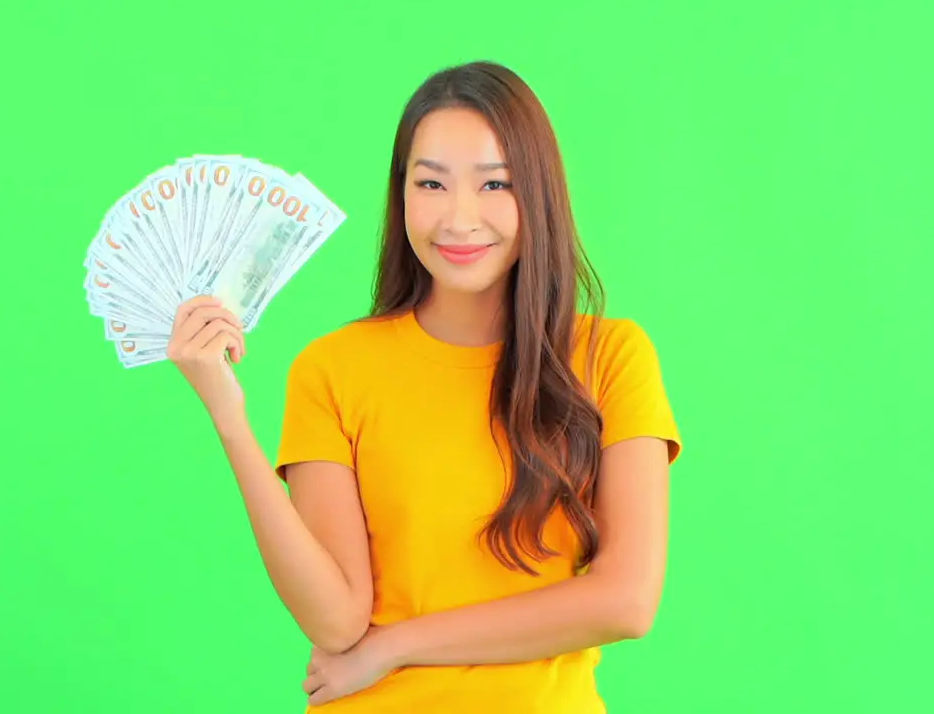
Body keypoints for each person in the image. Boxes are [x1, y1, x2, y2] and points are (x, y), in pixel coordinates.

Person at [166, 60, 682, 713]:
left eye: (495, 183)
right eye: (431, 183)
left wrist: (396, 646)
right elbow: (336, 623)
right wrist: (228, 414)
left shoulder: (611, 357)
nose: (459, 218)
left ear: (540, 194)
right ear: (401, 194)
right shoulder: (334, 368)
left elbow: (626, 602)